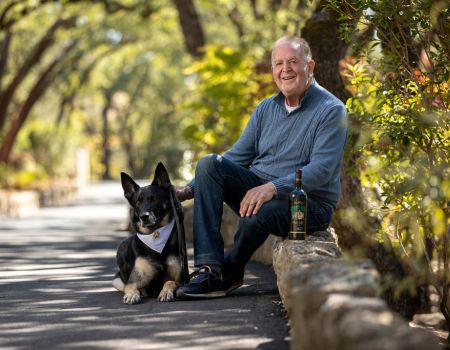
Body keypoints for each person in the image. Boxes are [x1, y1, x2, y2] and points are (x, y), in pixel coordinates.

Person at [175, 36, 348, 299]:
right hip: (261, 189)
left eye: (292, 61)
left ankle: (230, 272)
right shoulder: (266, 108)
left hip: (308, 203)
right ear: (273, 71)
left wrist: (272, 188)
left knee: (262, 209)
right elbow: (235, 158)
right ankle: (208, 269)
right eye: (279, 63)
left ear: (310, 66)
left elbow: (322, 169)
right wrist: (189, 189)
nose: (285, 69)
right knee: (210, 163)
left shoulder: (331, 110)